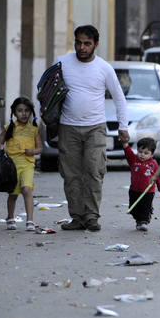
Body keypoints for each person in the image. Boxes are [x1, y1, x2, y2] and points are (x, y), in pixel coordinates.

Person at [55, 25, 129, 232]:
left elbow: (119, 98)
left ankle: (91, 216)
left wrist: (123, 126)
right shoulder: (61, 63)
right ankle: (77, 217)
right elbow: (47, 92)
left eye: (87, 43)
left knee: (94, 171)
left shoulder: (104, 68)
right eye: (78, 43)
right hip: (68, 127)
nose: (82, 47)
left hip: (95, 127)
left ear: (96, 44)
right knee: (71, 175)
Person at [0, 97, 42, 232]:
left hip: (28, 164)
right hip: (12, 166)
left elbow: (40, 148)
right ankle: (10, 217)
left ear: (31, 112)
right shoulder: (9, 128)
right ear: (14, 113)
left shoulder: (33, 130)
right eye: (20, 110)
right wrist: (1, 148)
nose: (24, 114)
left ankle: (30, 220)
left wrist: (32, 151)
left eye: (27, 110)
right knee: (13, 193)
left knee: (27, 189)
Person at [125, 137, 159, 231]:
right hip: (134, 190)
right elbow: (128, 153)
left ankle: (144, 222)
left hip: (148, 191)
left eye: (146, 153)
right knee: (133, 208)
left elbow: (157, 176)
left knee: (145, 207)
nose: (142, 155)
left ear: (152, 154)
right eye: (140, 152)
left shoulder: (153, 164)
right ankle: (138, 220)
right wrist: (125, 144)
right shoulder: (134, 160)